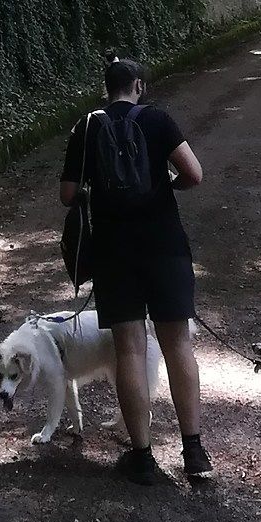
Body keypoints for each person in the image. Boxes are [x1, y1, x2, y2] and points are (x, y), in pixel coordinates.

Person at [60, 55, 213, 484]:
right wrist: (166, 185)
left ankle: (143, 458)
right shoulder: (158, 120)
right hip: (165, 247)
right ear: (139, 86)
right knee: (177, 345)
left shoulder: (86, 127)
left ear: (105, 89)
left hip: (114, 254)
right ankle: (194, 452)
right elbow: (194, 174)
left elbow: (68, 195)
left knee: (129, 349)